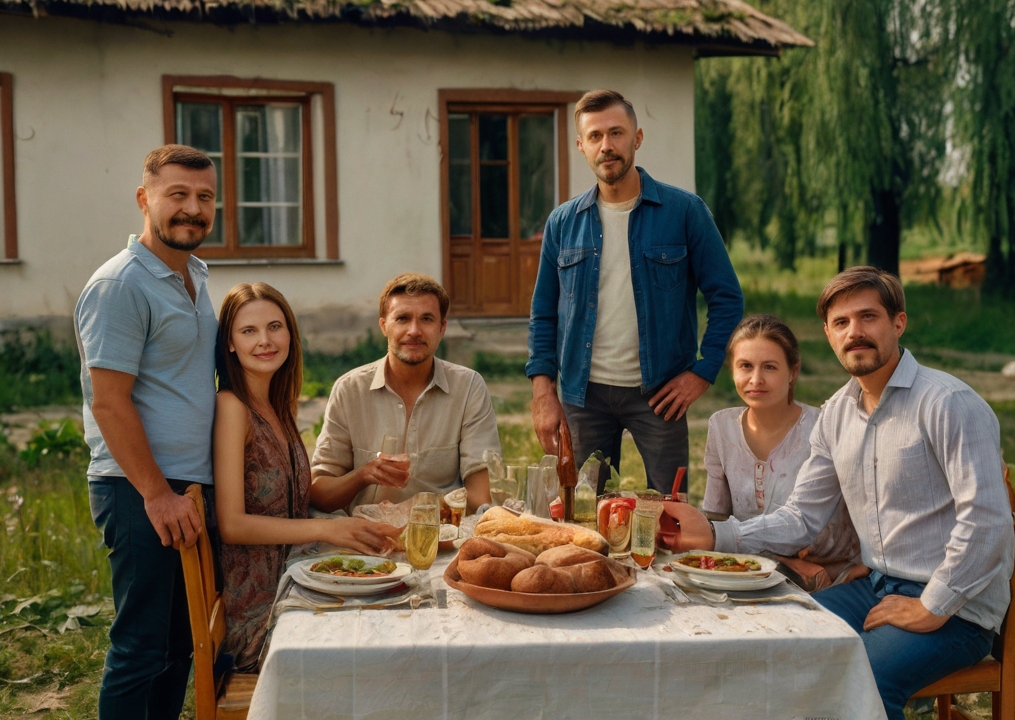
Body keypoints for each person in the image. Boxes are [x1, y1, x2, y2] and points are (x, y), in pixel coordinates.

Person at [661, 267, 1014, 720]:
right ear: (827, 334)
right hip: (876, 585)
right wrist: (715, 535)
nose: (856, 331)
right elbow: (802, 517)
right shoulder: (838, 416)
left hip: (958, 605)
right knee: (768, 642)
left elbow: (990, 521)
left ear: (899, 322)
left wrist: (932, 606)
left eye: (869, 317)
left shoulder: (948, 402)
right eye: (841, 321)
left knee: (865, 679)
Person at [77, 145, 219, 720]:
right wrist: (157, 494)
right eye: (178, 195)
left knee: (180, 643)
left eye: (204, 197)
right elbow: (110, 403)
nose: (192, 209)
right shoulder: (120, 284)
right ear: (145, 200)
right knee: (138, 647)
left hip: (187, 489)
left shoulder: (195, 273)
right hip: (139, 492)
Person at [527, 89, 743, 495]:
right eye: (594, 137)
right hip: (581, 395)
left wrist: (702, 372)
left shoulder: (685, 212)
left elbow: (727, 297)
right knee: (586, 512)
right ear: (581, 146)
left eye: (616, 133)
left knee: (668, 511)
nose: (606, 146)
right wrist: (543, 392)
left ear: (637, 138)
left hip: (660, 394)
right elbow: (543, 313)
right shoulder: (562, 223)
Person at [213, 282, 400, 671]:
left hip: (299, 581)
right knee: (383, 639)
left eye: (275, 327)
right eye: (248, 331)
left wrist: (359, 503)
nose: (265, 340)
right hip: (261, 619)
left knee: (402, 605)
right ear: (229, 343)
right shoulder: (232, 406)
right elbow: (231, 525)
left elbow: (297, 498)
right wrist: (326, 531)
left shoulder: (279, 405)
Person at [310, 272, 500, 514]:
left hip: (443, 536)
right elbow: (319, 492)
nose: (414, 330)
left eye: (427, 319)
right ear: (384, 326)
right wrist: (364, 474)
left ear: (442, 328)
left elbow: (480, 496)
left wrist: (415, 514)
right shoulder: (349, 390)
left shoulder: (468, 387)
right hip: (365, 540)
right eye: (402, 318)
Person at [700, 313, 863, 591]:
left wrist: (859, 567)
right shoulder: (721, 426)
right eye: (745, 366)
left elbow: (868, 509)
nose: (756, 379)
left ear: (793, 372)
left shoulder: (824, 427)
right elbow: (715, 517)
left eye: (770, 367)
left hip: (830, 576)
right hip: (748, 572)